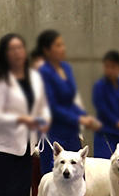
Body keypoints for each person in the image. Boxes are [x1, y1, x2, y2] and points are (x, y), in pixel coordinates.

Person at [0, 33, 50, 196]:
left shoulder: (35, 77)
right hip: (1, 148)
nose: (17, 52)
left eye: (19, 48)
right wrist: (22, 119)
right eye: (11, 49)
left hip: (25, 149)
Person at [36, 29, 100, 173]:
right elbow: (52, 105)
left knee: (77, 175)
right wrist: (79, 118)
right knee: (54, 177)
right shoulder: (43, 72)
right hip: (53, 132)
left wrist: (85, 116)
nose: (63, 48)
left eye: (62, 44)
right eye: (58, 45)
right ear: (47, 50)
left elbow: (71, 100)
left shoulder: (66, 68)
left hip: (71, 132)